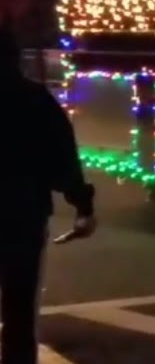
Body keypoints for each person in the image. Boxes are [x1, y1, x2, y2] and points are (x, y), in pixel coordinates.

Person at [0, 20, 97, 364]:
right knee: (19, 312)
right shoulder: (35, 100)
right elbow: (62, 160)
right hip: (22, 216)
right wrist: (82, 204)